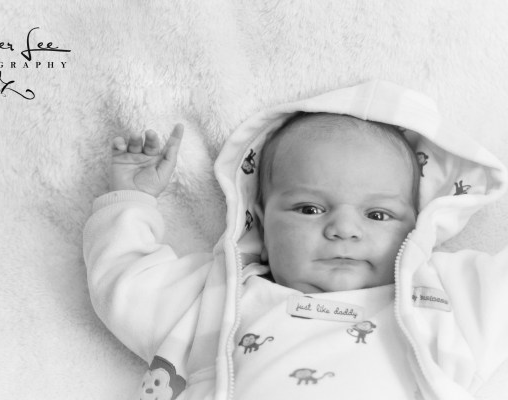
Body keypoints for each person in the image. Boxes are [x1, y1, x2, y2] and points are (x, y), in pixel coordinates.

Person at [83, 80, 508, 400]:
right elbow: (126, 285)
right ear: (261, 226)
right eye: (309, 209)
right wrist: (131, 199)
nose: (344, 229)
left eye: (378, 215)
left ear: (416, 228)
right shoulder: (220, 295)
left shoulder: (443, 294)